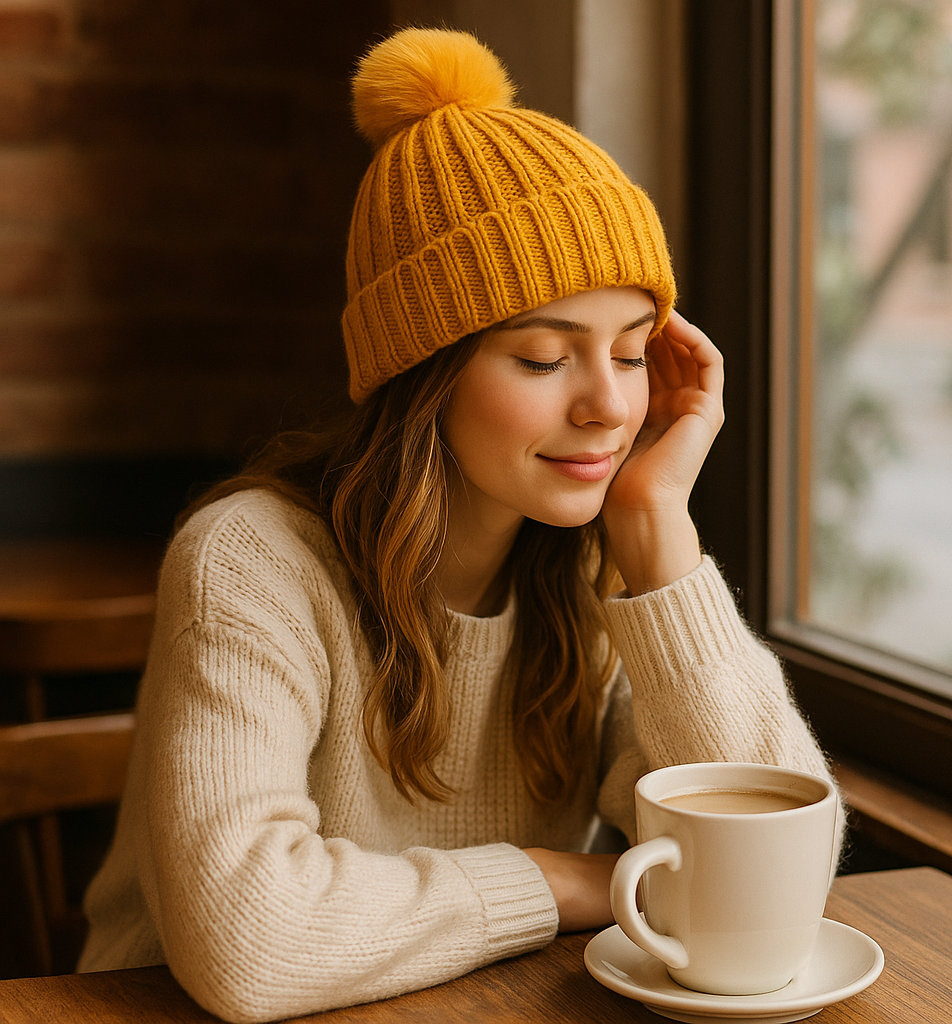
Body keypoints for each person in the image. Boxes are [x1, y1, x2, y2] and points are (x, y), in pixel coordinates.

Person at [78, 27, 842, 1024]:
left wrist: (657, 533)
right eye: (541, 356)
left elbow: (783, 878)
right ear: (419, 378)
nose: (609, 407)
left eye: (629, 350)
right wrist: (562, 882)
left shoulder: (592, 567)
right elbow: (250, 942)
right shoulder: (251, 560)